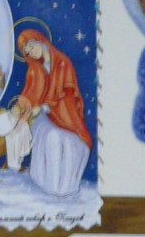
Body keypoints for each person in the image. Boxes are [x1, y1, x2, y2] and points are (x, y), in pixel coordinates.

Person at [13, 28, 92, 196]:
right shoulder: (35, 69)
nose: (31, 53)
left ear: (40, 41)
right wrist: (23, 107)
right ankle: (47, 183)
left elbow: (68, 98)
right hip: (43, 117)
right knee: (52, 137)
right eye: (27, 52)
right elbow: (29, 94)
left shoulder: (63, 63)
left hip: (65, 115)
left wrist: (44, 107)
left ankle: (65, 187)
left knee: (71, 143)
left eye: (31, 47)